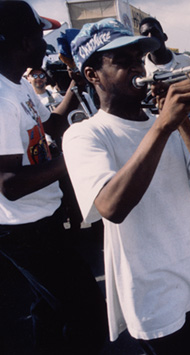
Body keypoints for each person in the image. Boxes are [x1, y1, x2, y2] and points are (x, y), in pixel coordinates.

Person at [64, 18, 190, 353]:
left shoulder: (165, 123)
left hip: (188, 271)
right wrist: (164, 125)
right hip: (148, 287)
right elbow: (112, 207)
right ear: (92, 75)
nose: (137, 69)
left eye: (138, 60)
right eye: (122, 63)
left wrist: (181, 122)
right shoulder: (86, 134)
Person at [0, 2, 107, 353]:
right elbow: (10, 184)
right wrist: (74, 157)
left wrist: (76, 87)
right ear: (23, 42)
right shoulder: (1, 100)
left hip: (41, 219)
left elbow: (54, 125)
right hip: (23, 230)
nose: (47, 44)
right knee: (86, 309)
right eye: (40, 36)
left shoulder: (19, 86)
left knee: (47, 308)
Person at [139, 17, 190, 275]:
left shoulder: (186, 62)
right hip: (159, 137)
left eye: (154, 32)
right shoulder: (140, 70)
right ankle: (183, 250)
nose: (150, 36)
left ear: (164, 36)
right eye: (145, 34)